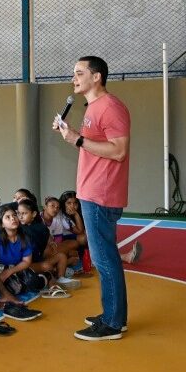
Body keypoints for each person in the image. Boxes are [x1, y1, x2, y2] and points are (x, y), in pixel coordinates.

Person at [53, 56, 131, 341]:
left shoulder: (110, 107)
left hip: (101, 195)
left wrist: (78, 139)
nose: (74, 77)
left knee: (105, 260)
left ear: (96, 77)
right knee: (105, 259)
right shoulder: (93, 107)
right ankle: (113, 316)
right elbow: (93, 149)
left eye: (79, 73)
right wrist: (70, 136)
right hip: (92, 192)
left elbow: (119, 151)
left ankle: (112, 324)